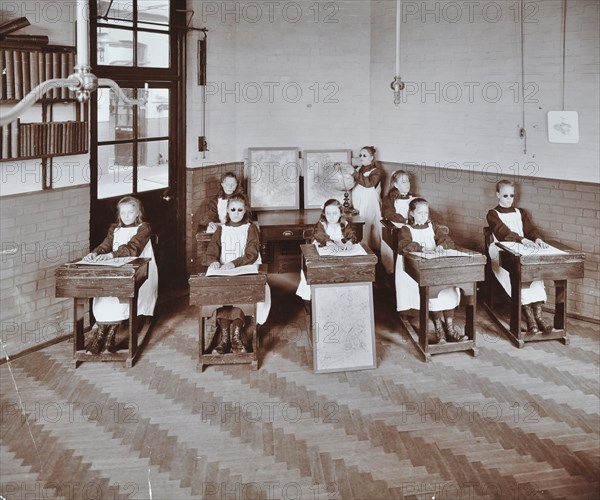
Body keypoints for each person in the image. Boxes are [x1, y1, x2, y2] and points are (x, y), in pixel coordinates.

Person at [83, 196, 158, 354]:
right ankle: (101, 334)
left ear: (138, 213)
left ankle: (110, 337)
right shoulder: (114, 228)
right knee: (103, 294)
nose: (126, 216)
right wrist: (95, 253)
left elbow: (133, 248)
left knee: (121, 292)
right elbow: (106, 244)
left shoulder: (144, 228)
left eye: (131, 212)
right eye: (123, 212)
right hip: (116, 268)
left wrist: (111, 255)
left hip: (139, 270)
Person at [205, 194, 271, 353]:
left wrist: (233, 263)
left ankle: (235, 334)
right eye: (233, 209)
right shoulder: (222, 229)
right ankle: (226, 336)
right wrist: (213, 260)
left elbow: (252, 253)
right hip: (224, 271)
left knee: (241, 294)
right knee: (223, 296)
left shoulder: (250, 228)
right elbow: (212, 249)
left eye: (240, 210)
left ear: (245, 210)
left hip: (245, 268)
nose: (236, 213)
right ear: (227, 210)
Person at [486, 179, 553, 334]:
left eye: (511, 196)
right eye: (505, 196)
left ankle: (539, 317)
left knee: (535, 273)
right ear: (497, 195)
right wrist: (522, 239)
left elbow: (530, 228)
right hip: (503, 251)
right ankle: (529, 318)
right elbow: (503, 232)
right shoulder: (493, 214)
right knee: (519, 274)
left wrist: (536, 238)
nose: (509, 199)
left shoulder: (520, 212)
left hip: (523, 249)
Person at [396, 198, 466, 344]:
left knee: (449, 290)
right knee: (432, 294)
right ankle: (439, 331)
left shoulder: (432, 226)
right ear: (411, 213)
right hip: (416, 270)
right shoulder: (406, 229)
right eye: (419, 212)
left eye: (426, 213)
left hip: (435, 266)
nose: (423, 216)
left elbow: (447, 240)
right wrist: (422, 248)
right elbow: (404, 246)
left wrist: (441, 246)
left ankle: (450, 329)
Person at [296, 199, 359, 301]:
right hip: (321, 254)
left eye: (334, 213)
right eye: (328, 213)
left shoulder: (344, 224)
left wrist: (349, 241)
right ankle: (319, 299)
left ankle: (339, 298)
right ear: (324, 214)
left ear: (340, 214)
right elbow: (318, 234)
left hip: (338, 256)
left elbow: (352, 234)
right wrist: (328, 242)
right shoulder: (322, 224)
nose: (331, 216)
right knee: (316, 273)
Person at [381, 169, 416, 273]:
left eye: (408, 181)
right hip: (393, 230)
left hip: (408, 229)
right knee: (392, 261)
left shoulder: (413, 198)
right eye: (403, 182)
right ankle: (392, 274)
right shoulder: (388, 199)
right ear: (395, 184)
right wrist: (405, 220)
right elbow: (389, 214)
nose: (407, 184)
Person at [351, 146, 383, 251]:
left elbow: (369, 183)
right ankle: (358, 247)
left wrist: (354, 173)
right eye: (360, 155)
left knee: (369, 225)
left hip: (370, 204)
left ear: (372, 157)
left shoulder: (377, 171)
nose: (361, 157)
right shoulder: (358, 169)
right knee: (358, 225)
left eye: (364, 155)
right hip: (358, 203)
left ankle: (370, 250)